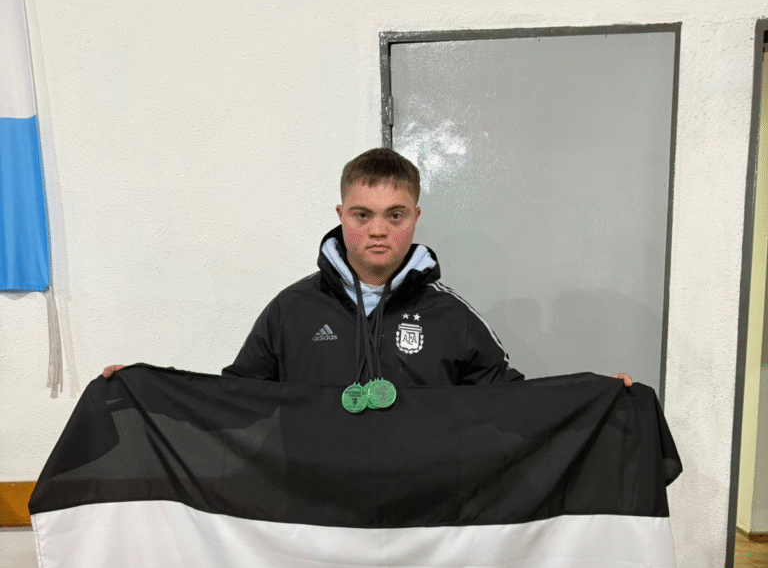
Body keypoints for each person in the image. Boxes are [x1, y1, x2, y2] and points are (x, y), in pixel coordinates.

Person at [103, 148, 632, 388]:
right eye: (363, 215)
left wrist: (594, 397)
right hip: (318, 515)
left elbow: (512, 403)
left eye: (394, 215)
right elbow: (235, 398)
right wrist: (145, 386)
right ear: (341, 215)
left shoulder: (451, 315)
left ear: (416, 218)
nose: (378, 230)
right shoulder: (292, 309)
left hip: (420, 518)